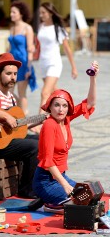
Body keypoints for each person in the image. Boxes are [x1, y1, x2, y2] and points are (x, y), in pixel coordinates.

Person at [32, 61, 99, 207]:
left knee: (89, 197)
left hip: (60, 176)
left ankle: (53, 202)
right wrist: (65, 186)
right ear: (49, 106)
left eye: (64, 106)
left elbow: (90, 103)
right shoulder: (49, 125)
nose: (60, 109)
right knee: (78, 205)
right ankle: (50, 204)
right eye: (56, 105)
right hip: (45, 181)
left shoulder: (66, 118)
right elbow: (48, 161)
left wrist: (93, 78)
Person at [0, 53, 40, 199]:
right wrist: (6, 115)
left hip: (7, 141)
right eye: (8, 73)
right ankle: (27, 190)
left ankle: (39, 183)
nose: (13, 77)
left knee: (40, 139)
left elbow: (17, 128)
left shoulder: (11, 97)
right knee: (35, 147)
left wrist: (40, 120)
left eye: (15, 74)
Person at [38, 2, 78, 114]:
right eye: (40, 12)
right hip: (43, 63)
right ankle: (68, 109)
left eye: (43, 12)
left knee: (44, 93)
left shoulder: (58, 28)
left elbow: (67, 49)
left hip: (54, 63)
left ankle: (39, 124)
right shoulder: (41, 27)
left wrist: (73, 67)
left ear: (50, 13)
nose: (41, 15)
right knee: (53, 92)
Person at [8, 0, 38, 116]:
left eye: (14, 12)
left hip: (23, 64)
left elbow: (30, 49)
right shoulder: (11, 28)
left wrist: (29, 68)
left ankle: (23, 118)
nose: (11, 14)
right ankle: (21, 113)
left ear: (21, 14)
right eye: (11, 12)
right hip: (11, 64)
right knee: (8, 92)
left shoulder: (27, 28)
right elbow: (9, 48)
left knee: (21, 94)